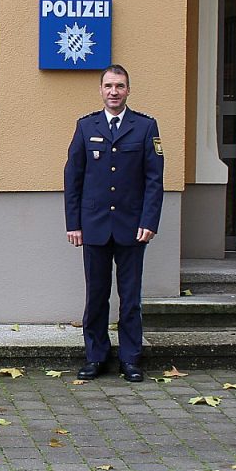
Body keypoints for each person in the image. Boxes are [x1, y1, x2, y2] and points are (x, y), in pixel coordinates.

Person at [64, 64, 163, 382]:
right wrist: (73, 223)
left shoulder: (145, 127)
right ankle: (95, 356)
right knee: (96, 295)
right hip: (93, 225)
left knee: (130, 296)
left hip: (132, 227)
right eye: (108, 86)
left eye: (119, 86)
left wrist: (150, 220)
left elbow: (154, 179)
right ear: (101, 89)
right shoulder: (85, 126)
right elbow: (73, 178)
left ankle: (131, 358)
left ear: (128, 90)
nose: (114, 92)